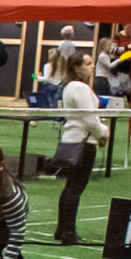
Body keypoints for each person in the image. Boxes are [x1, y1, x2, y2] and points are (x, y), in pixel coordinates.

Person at [49, 48, 106, 244]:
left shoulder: (68, 87)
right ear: (77, 68)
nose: (92, 67)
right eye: (88, 64)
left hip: (71, 140)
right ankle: (68, 232)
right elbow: (89, 118)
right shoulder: (80, 88)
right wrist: (102, 132)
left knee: (70, 187)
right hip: (83, 142)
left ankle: (61, 229)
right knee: (75, 188)